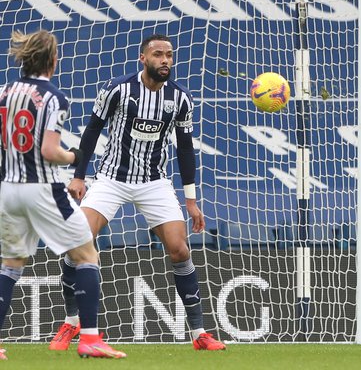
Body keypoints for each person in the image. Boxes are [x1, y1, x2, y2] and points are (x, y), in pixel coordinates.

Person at [49, 33, 226, 352]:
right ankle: (72, 321)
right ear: (143, 58)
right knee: (78, 240)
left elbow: (185, 149)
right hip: (112, 178)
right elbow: (92, 131)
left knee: (180, 249)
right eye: (158, 54)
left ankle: (199, 333)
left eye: (169, 55)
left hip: (154, 182)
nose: (165, 60)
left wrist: (191, 200)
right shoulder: (118, 89)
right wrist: (79, 176)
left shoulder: (180, 99)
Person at [0, 30, 126, 359]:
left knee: (11, 265)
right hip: (42, 189)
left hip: (9, 189)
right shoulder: (54, 97)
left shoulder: (4, 92)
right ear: (53, 61)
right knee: (87, 255)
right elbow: (49, 150)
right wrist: (73, 156)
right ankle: (89, 338)